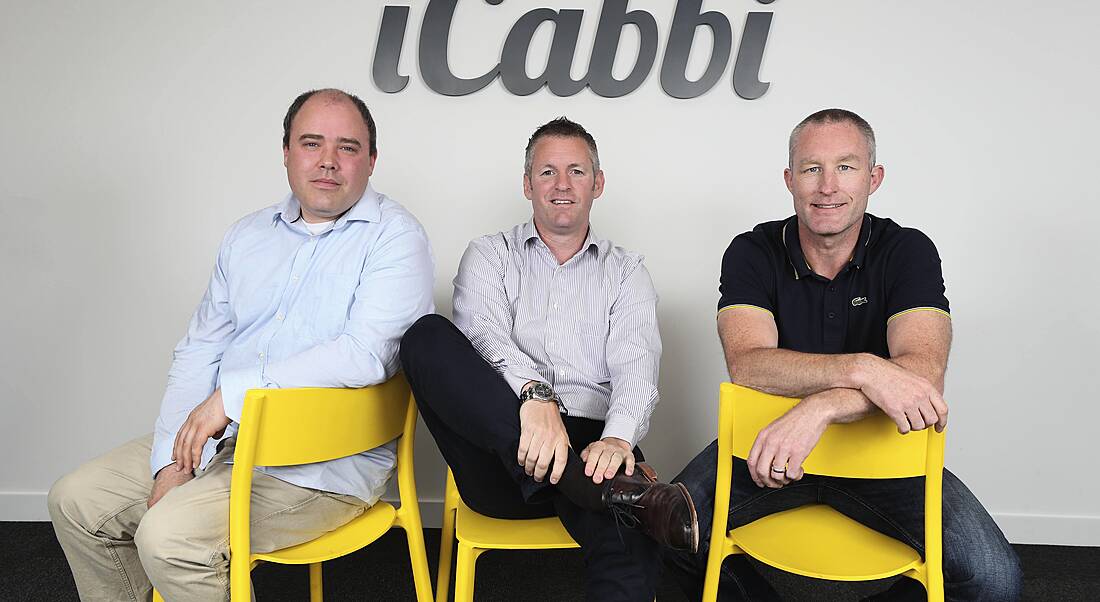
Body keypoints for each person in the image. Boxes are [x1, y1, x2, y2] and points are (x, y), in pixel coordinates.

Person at [47, 88, 435, 601]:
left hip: (321, 468)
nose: (327, 161)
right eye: (311, 143)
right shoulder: (246, 236)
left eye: (347, 147)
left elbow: (365, 354)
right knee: (76, 500)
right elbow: (198, 351)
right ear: (286, 152)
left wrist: (232, 397)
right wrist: (171, 463)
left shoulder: (395, 236)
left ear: (371, 160)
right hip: (222, 445)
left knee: (169, 536)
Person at [664, 109, 1023, 601]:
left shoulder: (907, 251)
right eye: (811, 168)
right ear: (790, 180)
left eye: (846, 167)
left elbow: (922, 375)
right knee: (664, 529)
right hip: (767, 447)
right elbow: (749, 363)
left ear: (873, 178)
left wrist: (822, 406)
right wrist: (865, 368)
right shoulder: (752, 250)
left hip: (882, 453)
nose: (827, 186)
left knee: (993, 579)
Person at [400, 117, 697, 601]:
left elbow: (637, 366)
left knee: (629, 540)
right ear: (526, 184)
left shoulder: (627, 273)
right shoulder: (490, 255)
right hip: (501, 452)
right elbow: (482, 337)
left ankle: (593, 486)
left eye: (577, 171)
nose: (562, 185)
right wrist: (536, 401)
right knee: (426, 336)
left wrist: (619, 438)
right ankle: (595, 488)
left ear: (597, 184)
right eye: (547, 172)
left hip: (595, 450)